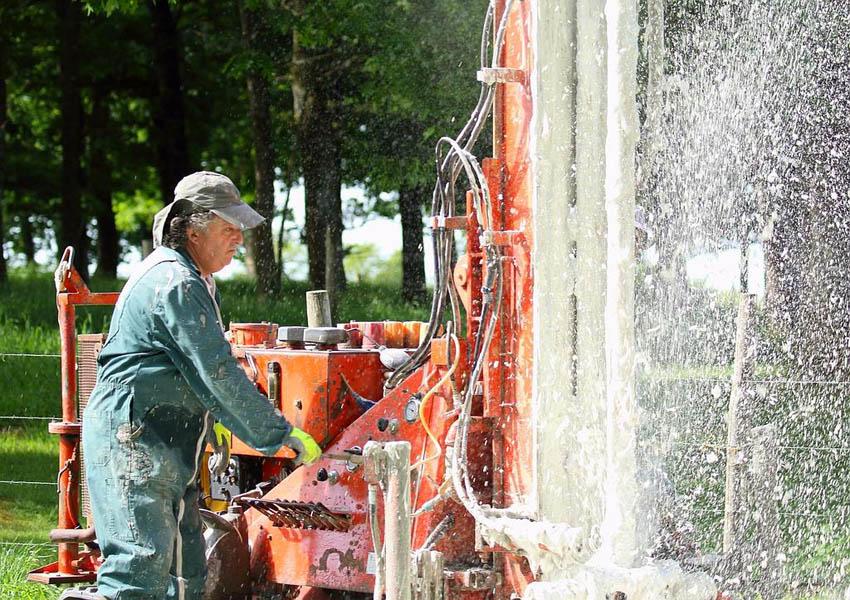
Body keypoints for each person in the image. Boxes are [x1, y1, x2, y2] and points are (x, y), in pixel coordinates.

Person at [66, 172, 321, 600]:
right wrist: (278, 433)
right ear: (192, 229)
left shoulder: (194, 279)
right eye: (229, 227)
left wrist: (216, 419)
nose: (239, 238)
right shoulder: (176, 283)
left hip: (164, 444)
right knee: (138, 573)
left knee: (186, 575)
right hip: (134, 442)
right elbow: (216, 371)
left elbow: (195, 370)